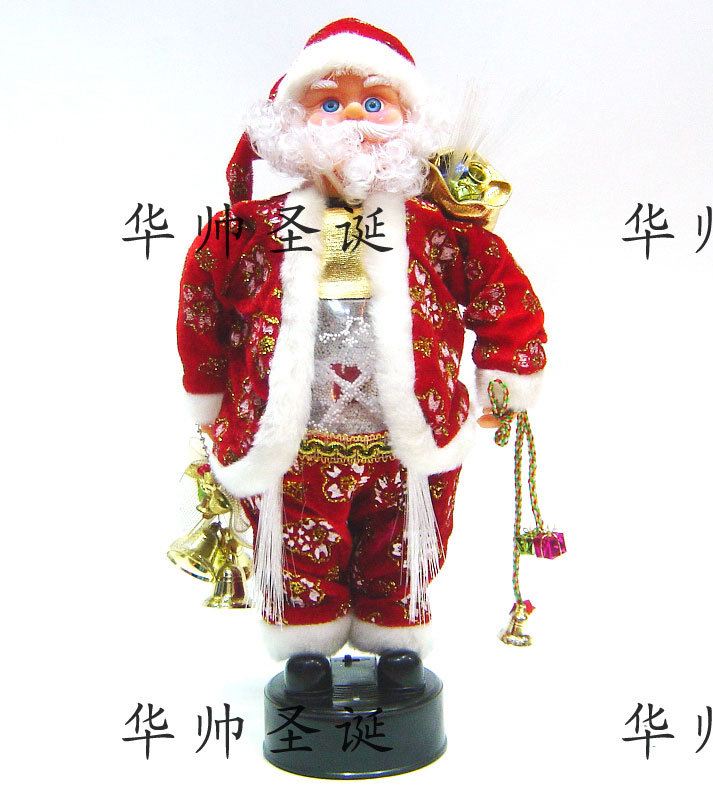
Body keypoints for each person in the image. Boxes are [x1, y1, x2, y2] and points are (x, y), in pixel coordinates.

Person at [177, 18, 547, 673]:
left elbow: (500, 289)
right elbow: (201, 303)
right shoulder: (249, 230)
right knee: (295, 546)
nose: (352, 115)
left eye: (374, 101)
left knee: (403, 545)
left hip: (408, 441)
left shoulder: (437, 232)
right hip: (291, 444)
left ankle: (396, 638)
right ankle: (306, 650)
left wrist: (503, 378)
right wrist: (208, 397)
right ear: (291, 124)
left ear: (410, 122)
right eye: (328, 103)